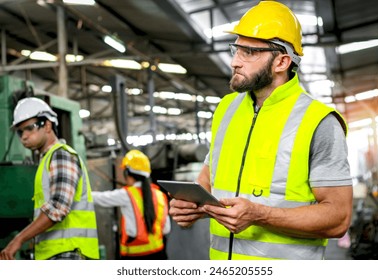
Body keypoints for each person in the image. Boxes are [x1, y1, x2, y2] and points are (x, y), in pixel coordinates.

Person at [169, 1, 353, 260]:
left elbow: (338, 219)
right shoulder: (226, 109)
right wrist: (191, 205)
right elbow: (208, 178)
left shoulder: (319, 122)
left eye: (249, 52)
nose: (235, 62)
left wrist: (259, 215)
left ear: (282, 61)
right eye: (236, 49)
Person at [0, 97, 99, 260]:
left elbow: (57, 208)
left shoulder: (61, 155)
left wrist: (18, 240)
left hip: (70, 253)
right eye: (20, 131)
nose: (23, 136)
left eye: (29, 128)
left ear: (47, 125)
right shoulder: (46, 161)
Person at [92, 150, 170, 260]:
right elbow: (166, 229)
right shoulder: (160, 195)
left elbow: (99, 198)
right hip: (159, 254)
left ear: (127, 173)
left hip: (134, 258)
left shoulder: (127, 195)